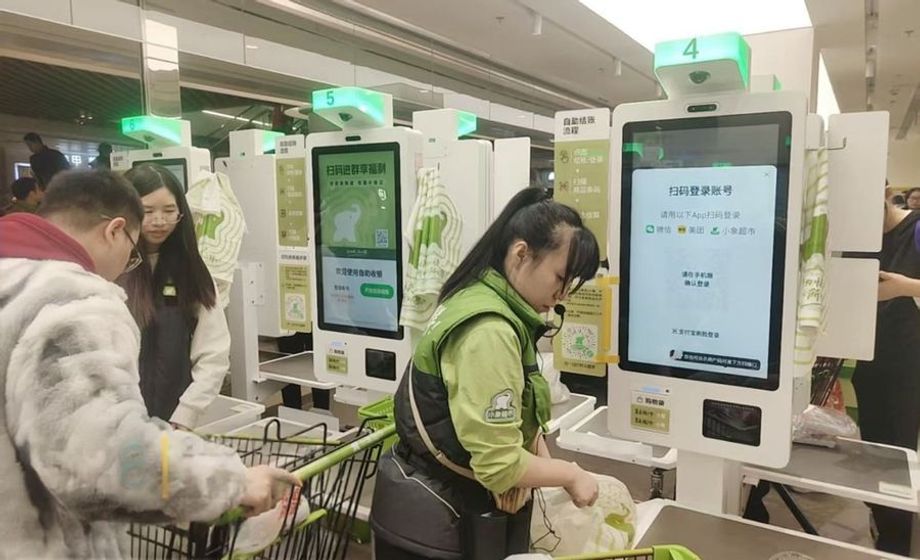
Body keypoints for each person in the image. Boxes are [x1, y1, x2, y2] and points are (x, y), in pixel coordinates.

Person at [0, 169, 298, 558]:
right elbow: (100, 456)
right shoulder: (73, 304)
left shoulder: (12, 277)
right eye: (133, 244)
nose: (129, 260)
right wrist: (231, 483)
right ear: (115, 230)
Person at [371, 187, 601, 559]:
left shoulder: (478, 296)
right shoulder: (489, 331)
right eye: (560, 277)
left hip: (433, 505)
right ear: (521, 253)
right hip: (442, 523)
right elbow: (498, 465)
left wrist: (532, 469)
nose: (563, 295)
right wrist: (570, 474)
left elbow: (513, 428)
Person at [118, 164, 228, 430]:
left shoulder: (191, 271)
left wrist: (187, 415)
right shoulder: (111, 268)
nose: (159, 221)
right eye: (147, 212)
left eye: (169, 211)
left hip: (174, 424)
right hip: (117, 425)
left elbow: (214, 352)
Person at [852, 184, 920, 555]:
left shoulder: (915, 230)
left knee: (898, 453)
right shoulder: (860, 237)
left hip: (907, 365)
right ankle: (882, 520)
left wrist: (903, 287)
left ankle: (898, 538)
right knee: (873, 448)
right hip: (870, 360)